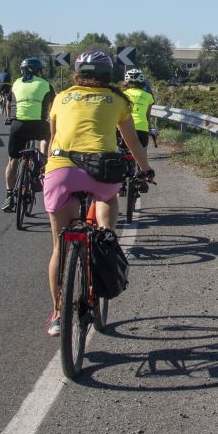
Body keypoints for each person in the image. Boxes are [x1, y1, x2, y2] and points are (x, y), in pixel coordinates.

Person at [42, 51, 153, 337]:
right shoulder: (118, 99)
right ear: (108, 75)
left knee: (59, 247)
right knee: (106, 198)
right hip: (101, 171)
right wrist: (145, 169)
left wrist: (48, 169)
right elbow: (131, 142)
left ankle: (57, 314)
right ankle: (106, 239)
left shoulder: (61, 97)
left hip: (61, 169)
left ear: (77, 73)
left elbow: (52, 138)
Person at [3, 58, 55, 213]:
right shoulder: (45, 84)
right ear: (38, 70)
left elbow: (8, 103)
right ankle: (42, 162)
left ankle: (9, 195)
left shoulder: (16, 83)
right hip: (39, 125)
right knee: (49, 137)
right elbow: (54, 106)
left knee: (13, 160)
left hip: (18, 125)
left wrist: (9, 118)